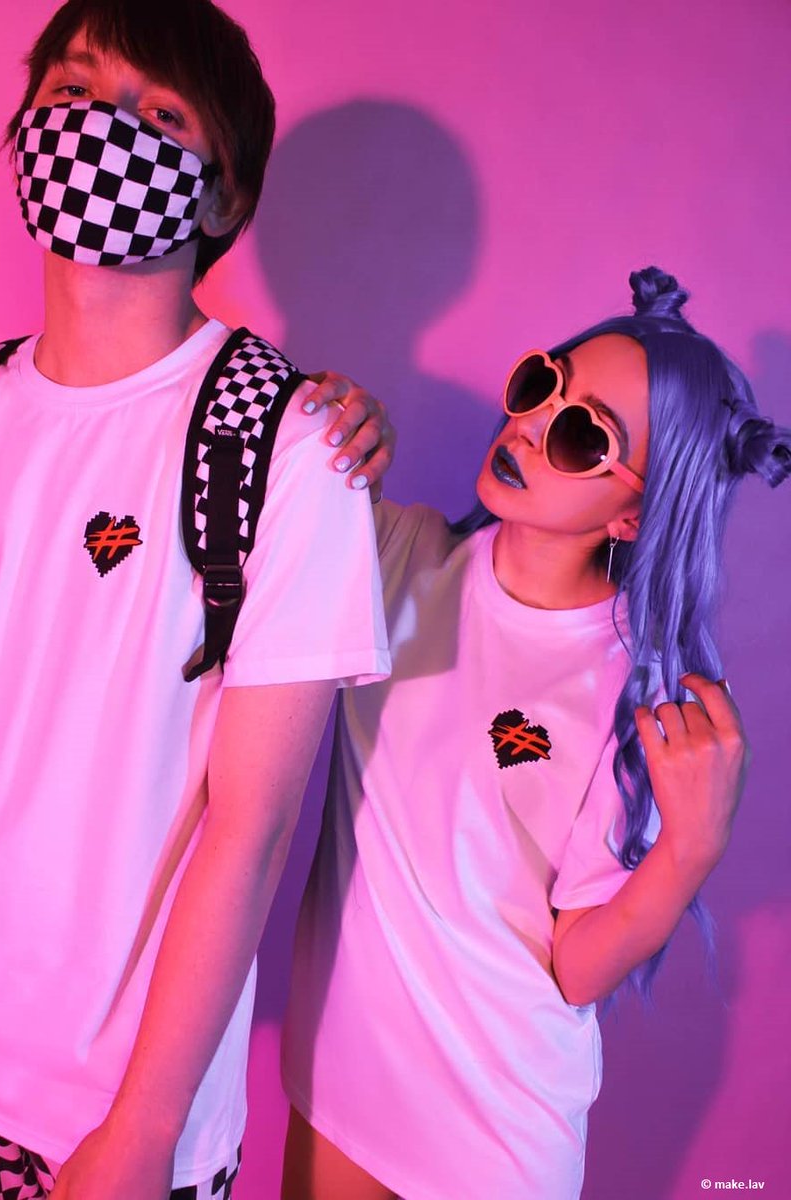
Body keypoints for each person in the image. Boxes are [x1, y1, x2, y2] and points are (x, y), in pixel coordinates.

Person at [0, 2, 394, 1198]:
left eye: (160, 114)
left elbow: (250, 828)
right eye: (76, 91)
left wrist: (144, 1130)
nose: (103, 128)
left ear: (223, 195)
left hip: (128, 1103)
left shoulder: (289, 445)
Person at [281, 267, 791, 1200]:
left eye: (582, 435)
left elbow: (577, 965)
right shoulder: (400, 558)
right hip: (340, 1081)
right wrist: (331, 416)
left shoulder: (633, 693)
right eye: (540, 385)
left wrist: (689, 851)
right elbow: (262, 502)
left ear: (634, 511)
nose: (527, 427)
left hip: (495, 1130)